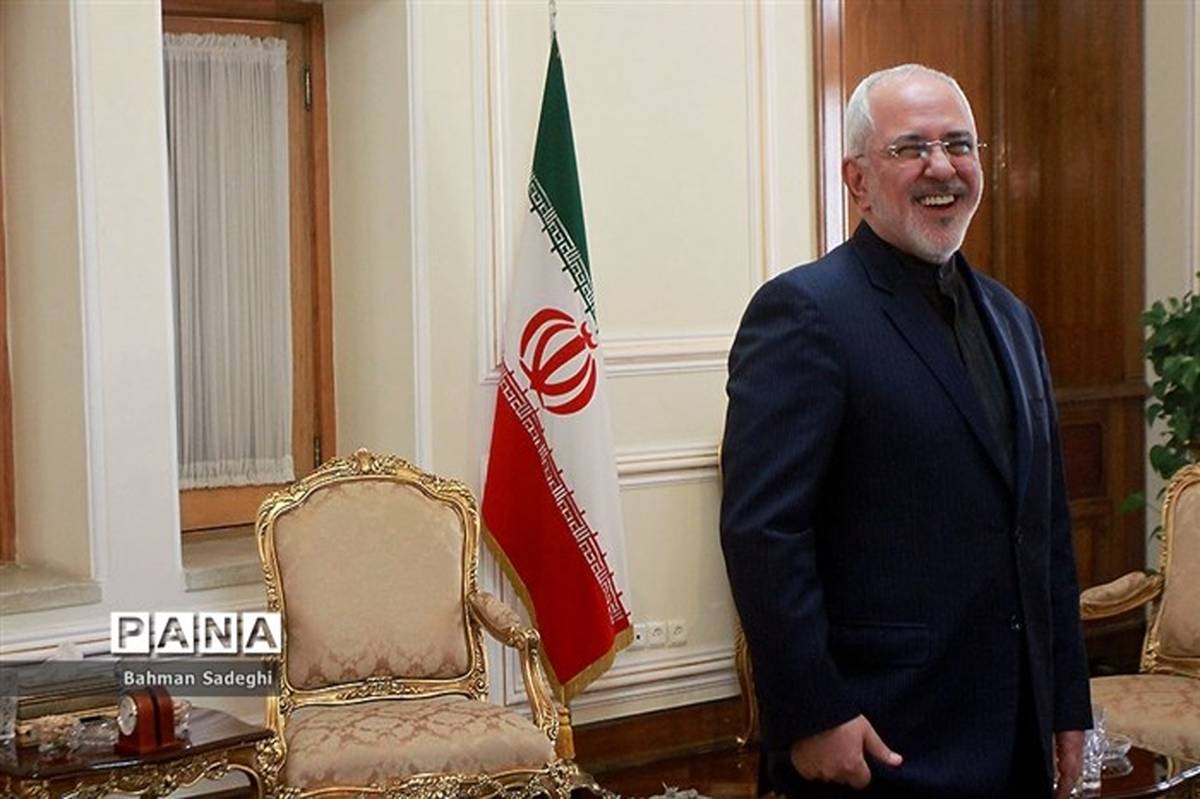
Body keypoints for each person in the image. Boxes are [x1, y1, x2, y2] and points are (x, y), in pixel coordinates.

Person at [720, 63, 1092, 798]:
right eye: (911, 148)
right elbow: (764, 534)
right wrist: (814, 712)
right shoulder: (804, 313)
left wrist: (1065, 701)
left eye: (959, 145)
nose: (941, 167)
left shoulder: (1014, 319)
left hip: (1015, 733)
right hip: (879, 738)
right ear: (857, 180)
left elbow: (1044, 529)